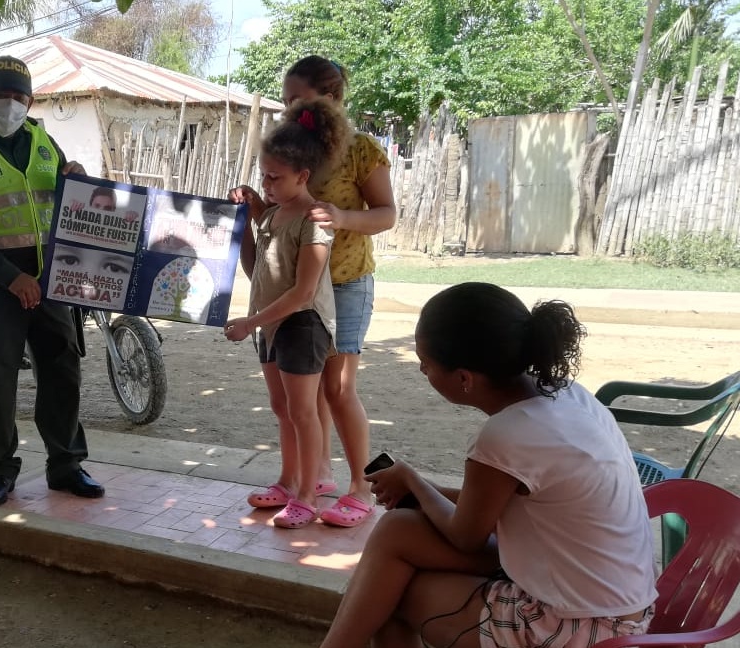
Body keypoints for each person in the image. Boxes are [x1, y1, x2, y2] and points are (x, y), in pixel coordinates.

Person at [320, 282, 657, 648]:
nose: (421, 371)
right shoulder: (566, 392)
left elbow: (466, 536)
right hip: (614, 597)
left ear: (465, 378)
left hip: (581, 626)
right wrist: (412, 486)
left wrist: (414, 482)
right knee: (398, 529)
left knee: (387, 594)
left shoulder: (506, 435)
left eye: (426, 364)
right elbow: (492, 506)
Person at [232, 55, 397, 528]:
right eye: (284, 101)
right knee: (302, 393)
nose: (288, 109)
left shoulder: (362, 150)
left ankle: (362, 488)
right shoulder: (289, 150)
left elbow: (386, 214)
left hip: (343, 282)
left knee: (339, 389)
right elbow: (278, 219)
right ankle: (308, 479)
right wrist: (255, 202)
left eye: (297, 100)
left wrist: (342, 218)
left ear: (331, 97)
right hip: (293, 287)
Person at [0, 55, 104, 507]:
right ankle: (1, 472)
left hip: (51, 283)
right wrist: (11, 278)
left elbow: (68, 202)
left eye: (19, 97)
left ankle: (66, 465)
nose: (10, 104)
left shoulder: (43, 141)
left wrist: (78, 180)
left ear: (30, 101)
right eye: (1, 94)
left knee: (62, 373)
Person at [223, 99, 348, 529]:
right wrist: (246, 221)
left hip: (301, 323)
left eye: (275, 177)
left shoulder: (315, 220)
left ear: (303, 175)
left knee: (302, 412)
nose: (267, 183)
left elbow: (303, 292)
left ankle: (308, 495)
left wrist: (249, 323)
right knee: (282, 407)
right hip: (272, 324)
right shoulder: (273, 214)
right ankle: (288, 481)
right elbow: (257, 267)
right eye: (263, 175)